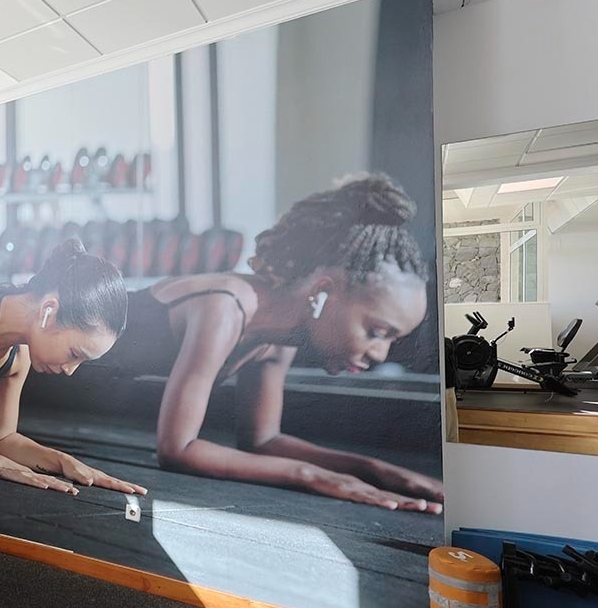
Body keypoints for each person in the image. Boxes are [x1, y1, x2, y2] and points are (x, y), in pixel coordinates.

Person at [96, 173, 443, 513]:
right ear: (324, 291)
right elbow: (178, 449)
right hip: (52, 367)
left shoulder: (283, 335)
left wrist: (376, 470)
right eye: (376, 331)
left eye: (391, 339)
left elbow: (262, 440)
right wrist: (313, 476)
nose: (380, 354)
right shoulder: (226, 307)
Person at [0, 239, 147, 497]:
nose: (71, 370)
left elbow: (1, 440)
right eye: (74, 354)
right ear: (49, 310)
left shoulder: (18, 356)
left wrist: (64, 462)